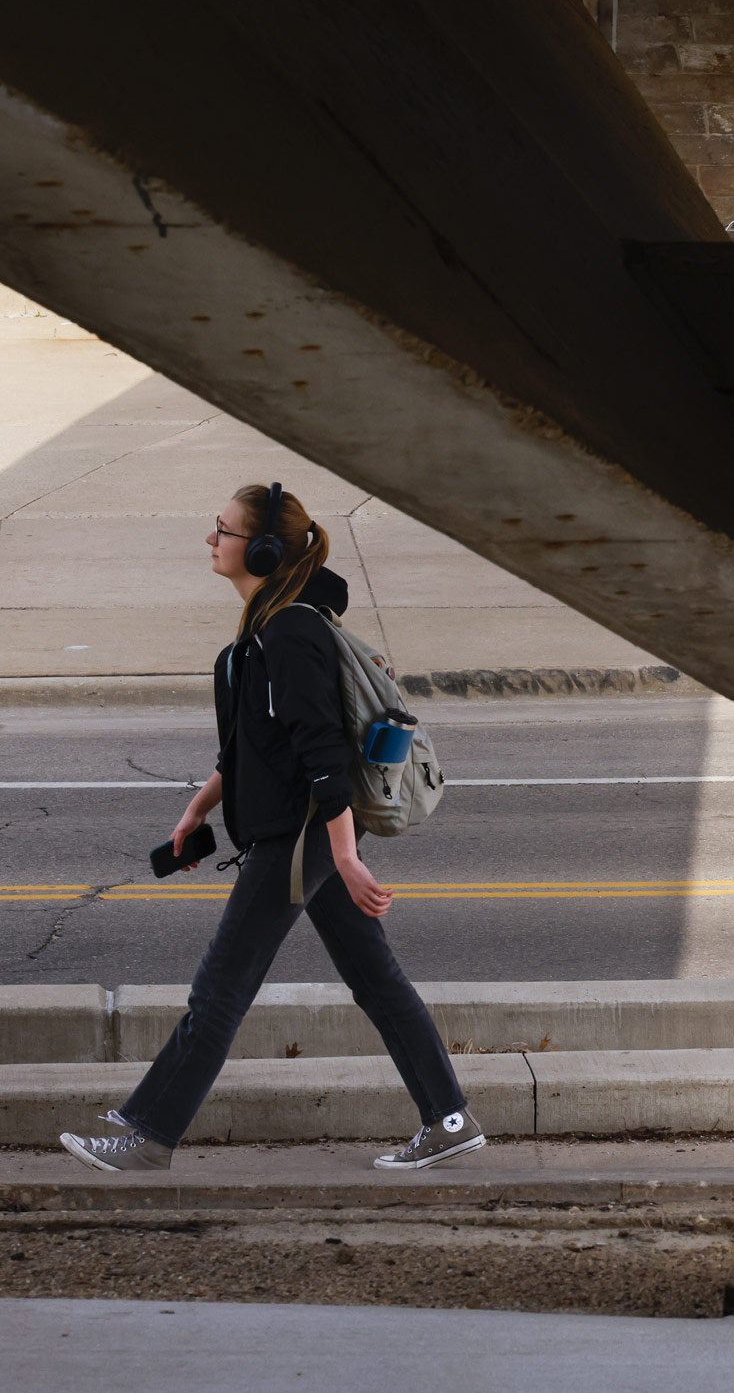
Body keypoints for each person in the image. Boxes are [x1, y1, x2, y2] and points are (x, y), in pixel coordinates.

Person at [60, 483, 485, 1174]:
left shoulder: (290, 634)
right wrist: (200, 807)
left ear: (260, 548)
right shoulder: (261, 633)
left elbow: (322, 754)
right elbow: (253, 747)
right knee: (374, 979)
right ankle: (450, 1118)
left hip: (302, 839)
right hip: (301, 835)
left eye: (222, 530)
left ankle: (147, 1134)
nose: (210, 540)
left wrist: (344, 855)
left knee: (219, 989)